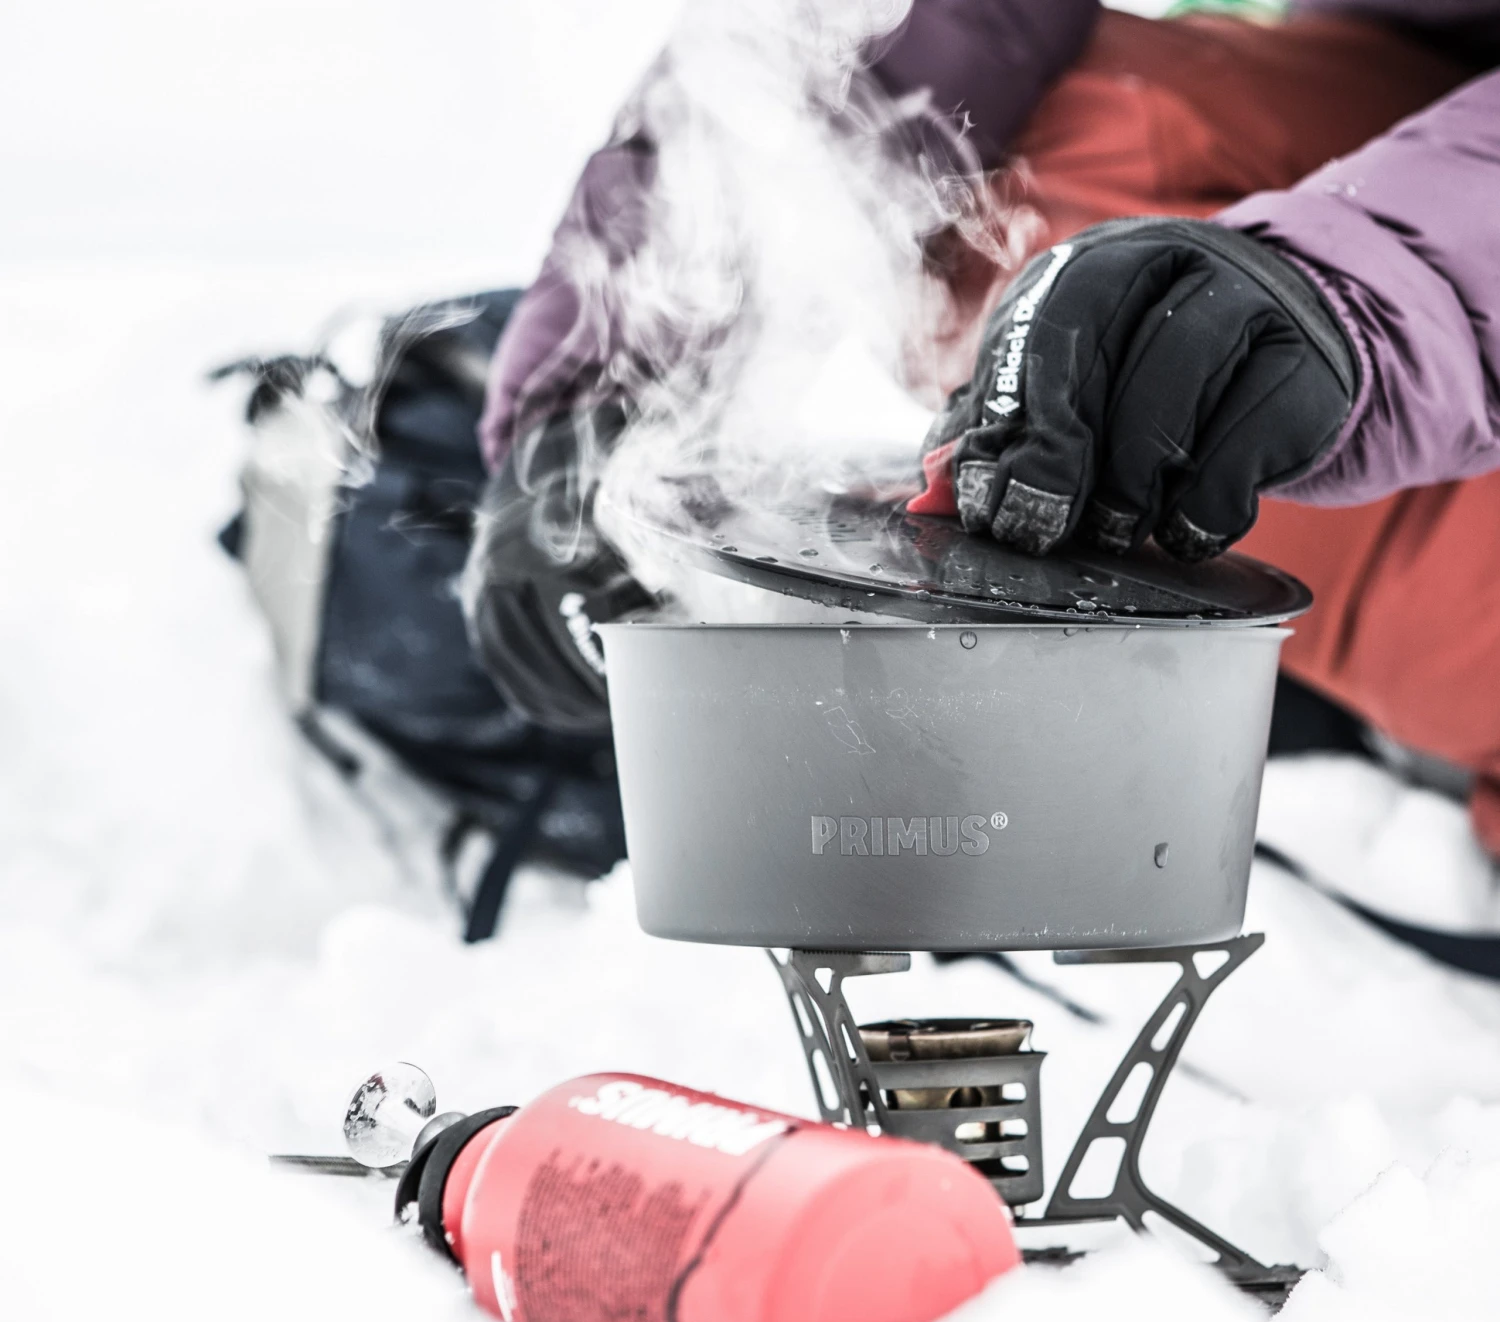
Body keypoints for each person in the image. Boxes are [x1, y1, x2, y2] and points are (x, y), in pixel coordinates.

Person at [470, 1, 1500, 850]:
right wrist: (598, 388)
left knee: (1193, 352)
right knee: (1037, 193)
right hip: (1385, 112)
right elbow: (878, 34)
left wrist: (1350, 298)